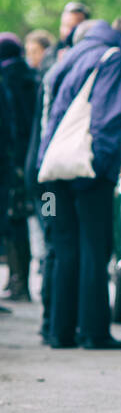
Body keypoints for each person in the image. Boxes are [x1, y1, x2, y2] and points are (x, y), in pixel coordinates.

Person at [37, 16, 121, 349]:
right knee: (94, 248)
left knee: (63, 248)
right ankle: (93, 331)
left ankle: (58, 330)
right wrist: (105, 167)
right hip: (88, 169)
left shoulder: (74, 53)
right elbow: (108, 118)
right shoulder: (114, 58)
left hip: (53, 168)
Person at [0, 33, 39, 302]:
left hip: (13, 161)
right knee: (24, 219)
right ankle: (20, 280)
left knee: (14, 220)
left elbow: (10, 124)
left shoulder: (8, 79)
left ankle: (18, 281)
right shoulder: (30, 78)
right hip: (32, 160)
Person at [39, 2, 90, 75]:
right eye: (65, 25)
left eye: (73, 28)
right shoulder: (50, 53)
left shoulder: (90, 53)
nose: (67, 32)